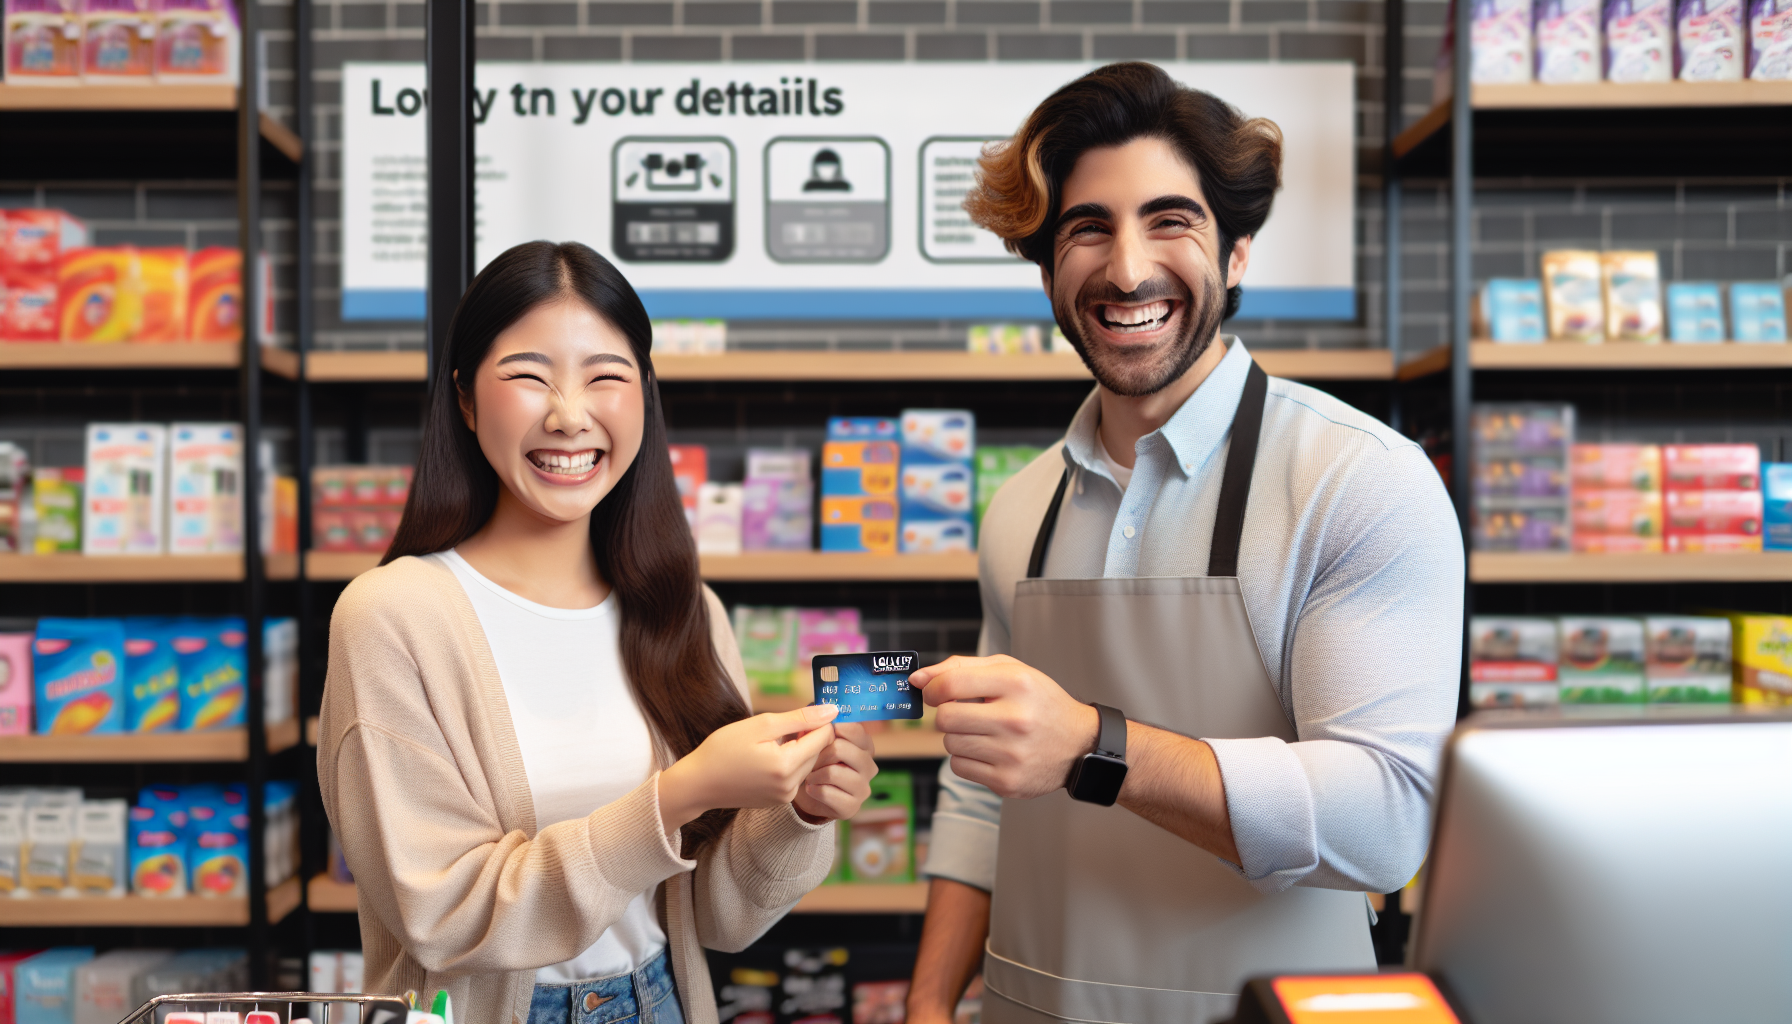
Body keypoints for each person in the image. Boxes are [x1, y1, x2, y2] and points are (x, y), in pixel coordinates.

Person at [903, 62, 1463, 1024]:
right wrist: (924, 1007)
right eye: (1088, 229)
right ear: (1048, 272)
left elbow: (1384, 818)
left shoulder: (1353, 479)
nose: (1126, 270)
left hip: (1272, 1010)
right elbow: (984, 794)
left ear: (1237, 252)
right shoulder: (1020, 509)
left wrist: (1092, 744)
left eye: (1171, 221)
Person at [318, 241, 878, 1024]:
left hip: (665, 999)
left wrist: (797, 813)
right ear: (468, 400)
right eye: (529, 376)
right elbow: (442, 916)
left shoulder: (685, 609)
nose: (569, 414)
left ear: (643, 397)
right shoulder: (392, 616)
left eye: (606, 376)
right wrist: (683, 792)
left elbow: (718, 920)